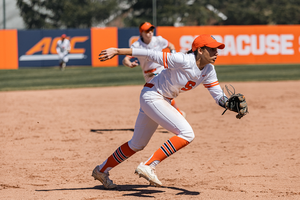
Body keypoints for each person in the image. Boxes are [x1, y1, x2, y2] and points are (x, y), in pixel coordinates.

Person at [92, 34, 230, 189]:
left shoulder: (209, 70)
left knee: (136, 144)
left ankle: (101, 170)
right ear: (199, 50)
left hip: (159, 99)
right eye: (212, 49)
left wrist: (229, 104)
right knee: (187, 133)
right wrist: (117, 51)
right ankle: (149, 165)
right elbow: (149, 54)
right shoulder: (182, 59)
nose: (216, 52)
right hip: (153, 97)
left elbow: (218, 95)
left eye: (216, 49)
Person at [122, 22, 185, 117]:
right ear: (141, 32)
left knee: (162, 93)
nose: (150, 32)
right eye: (147, 31)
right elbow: (125, 59)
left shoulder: (158, 40)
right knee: (159, 96)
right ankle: (177, 113)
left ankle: (175, 115)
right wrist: (130, 64)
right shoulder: (136, 45)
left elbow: (171, 45)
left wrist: (173, 55)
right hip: (148, 74)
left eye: (151, 30)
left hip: (161, 70)